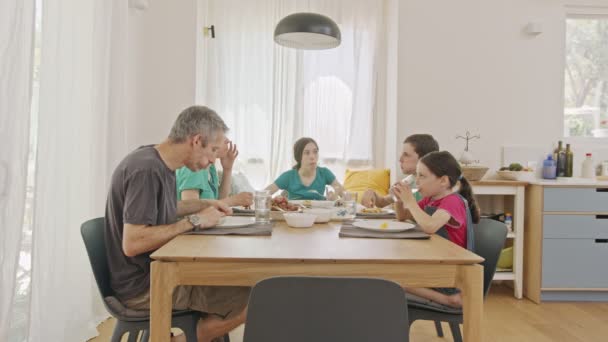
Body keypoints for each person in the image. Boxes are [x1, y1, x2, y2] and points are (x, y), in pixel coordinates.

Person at [104, 106, 249, 342]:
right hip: (144, 285)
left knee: (236, 284)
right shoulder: (146, 170)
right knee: (256, 293)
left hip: (152, 272)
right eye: (213, 150)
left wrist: (206, 203)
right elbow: (133, 243)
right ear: (197, 140)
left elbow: (165, 209)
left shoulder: (158, 161)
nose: (214, 160)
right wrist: (195, 220)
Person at [393, 151, 480, 308]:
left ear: (443, 181)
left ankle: (450, 299)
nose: (416, 181)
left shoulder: (453, 201)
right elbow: (403, 217)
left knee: (391, 278)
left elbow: (430, 226)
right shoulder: (430, 199)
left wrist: (411, 202)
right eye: (416, 175)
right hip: (437, 263)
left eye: (422, 176)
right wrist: (400, 200)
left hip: (451, 273)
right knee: (390, 274)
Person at [361, 134, 439, 209]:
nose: (400, 159)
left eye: (406, 155)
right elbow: (383, 202)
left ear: (424, 159)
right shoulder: (410, 179)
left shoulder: (434, 187)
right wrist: (372, 193)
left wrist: (399, 200)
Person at [176, 138, 253, 207]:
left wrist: (227, 169)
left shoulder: (211, 167)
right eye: (222, 136)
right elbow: (190, 209)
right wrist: (232, 201)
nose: (228, 140)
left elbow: (219, 201)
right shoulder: (194, 167)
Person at [265, 137, 345, 200]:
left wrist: (333, 199)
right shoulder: (288, 176)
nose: (312, 156)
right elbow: (263, 195)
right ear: (299, 157)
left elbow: (347, 196)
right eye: (307, 153)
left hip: (319, 218)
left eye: (315, 152)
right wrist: (274, 201)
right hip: (294, 218)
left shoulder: (324, 173)